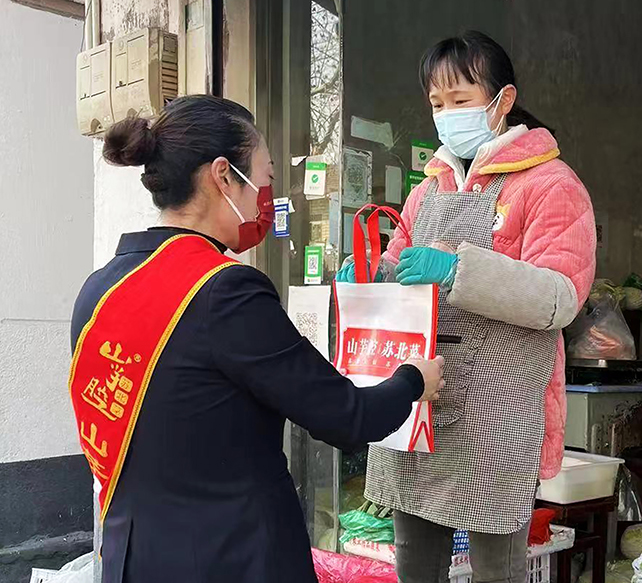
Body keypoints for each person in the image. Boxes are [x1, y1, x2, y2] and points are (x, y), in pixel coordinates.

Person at [68, 95, 445, 583]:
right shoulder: (224, 290)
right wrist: (413, 380)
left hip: (131, 559)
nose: (267, 197)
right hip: (233, 557)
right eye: (265, 179)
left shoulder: (100, 289)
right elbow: (346, 417)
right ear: (223, 176)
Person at [338, 31, 596, 583]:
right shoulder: (425, 192)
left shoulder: (552, 185)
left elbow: (561, 297)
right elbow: (397, 264)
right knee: (417, 568)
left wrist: (459, 271)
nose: (446, 115)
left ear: (502, 102)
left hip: (497, 417)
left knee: (495, 573)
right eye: (437, 104)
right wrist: (368, 277)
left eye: (461, 101)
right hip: (422, 402)